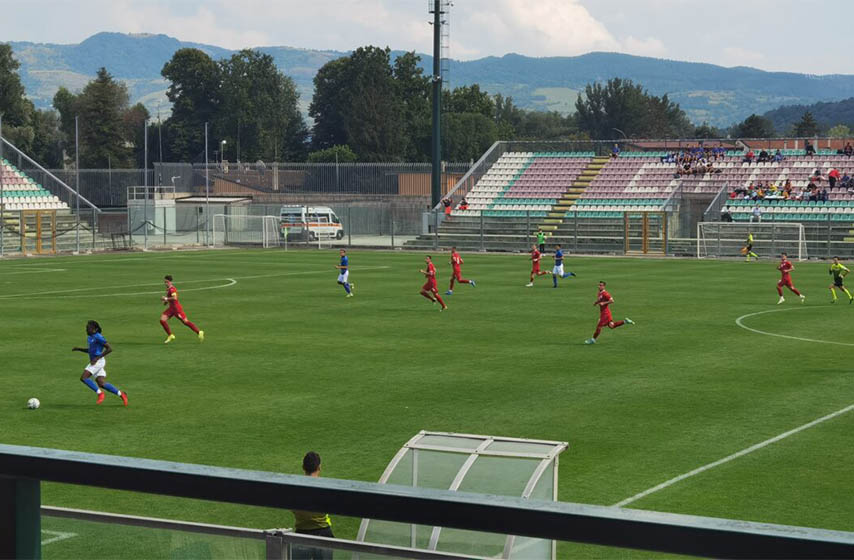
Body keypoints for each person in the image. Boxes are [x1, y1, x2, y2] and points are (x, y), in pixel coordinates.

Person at [72, 320, 128, 406]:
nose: (86, 330)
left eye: (88, 328)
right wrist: (79, 349)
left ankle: (100, 393)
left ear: (95, 329)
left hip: (98, 361)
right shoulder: (90, 337)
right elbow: (91, 350)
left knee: (84, 378)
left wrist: (97, 358)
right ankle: (121, 394)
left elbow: (109, 349)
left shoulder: (98, 337)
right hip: (96, 361)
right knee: (101, 383)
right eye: (86, 328)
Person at [291, 451, 334, 560]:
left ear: (303, 467)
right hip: (323, 533)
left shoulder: (295, 488)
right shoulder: (325, 487)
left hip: (301, 534)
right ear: (319, 467)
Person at [160, 275, 204, 344]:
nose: (165, 283)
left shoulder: (172, 289)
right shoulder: (168, 289)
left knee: (185, 322)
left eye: (167, 282)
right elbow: (169, 299)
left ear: (170, 282)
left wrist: (166, 299)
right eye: (164, 282)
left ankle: (199, 332)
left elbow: (175, 298)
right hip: (171, 309)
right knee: (162, 320)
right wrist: (165, 301)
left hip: (177, 309)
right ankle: (170, 335)